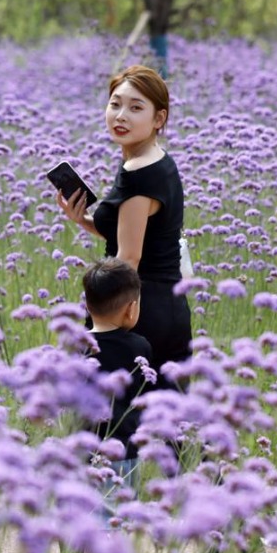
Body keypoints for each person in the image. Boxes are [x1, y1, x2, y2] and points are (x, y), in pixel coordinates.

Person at [57, 64, 191, 386]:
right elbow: (136, 234)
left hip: (136, 308)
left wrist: (104, 315)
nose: (121, 116)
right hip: (166, 304)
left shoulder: (139, 174)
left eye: (135, 108)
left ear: (159, 119)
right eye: (115, 104)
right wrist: (85, 220)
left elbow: (129, 257)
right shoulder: (157, 160)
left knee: (118, 420)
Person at [82, 257, 153, 516]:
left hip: (80, 448)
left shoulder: (77, 346)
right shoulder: (139, 349)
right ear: (131, 309)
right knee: (111, 518)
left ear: (87, 306)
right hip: (122, 451)